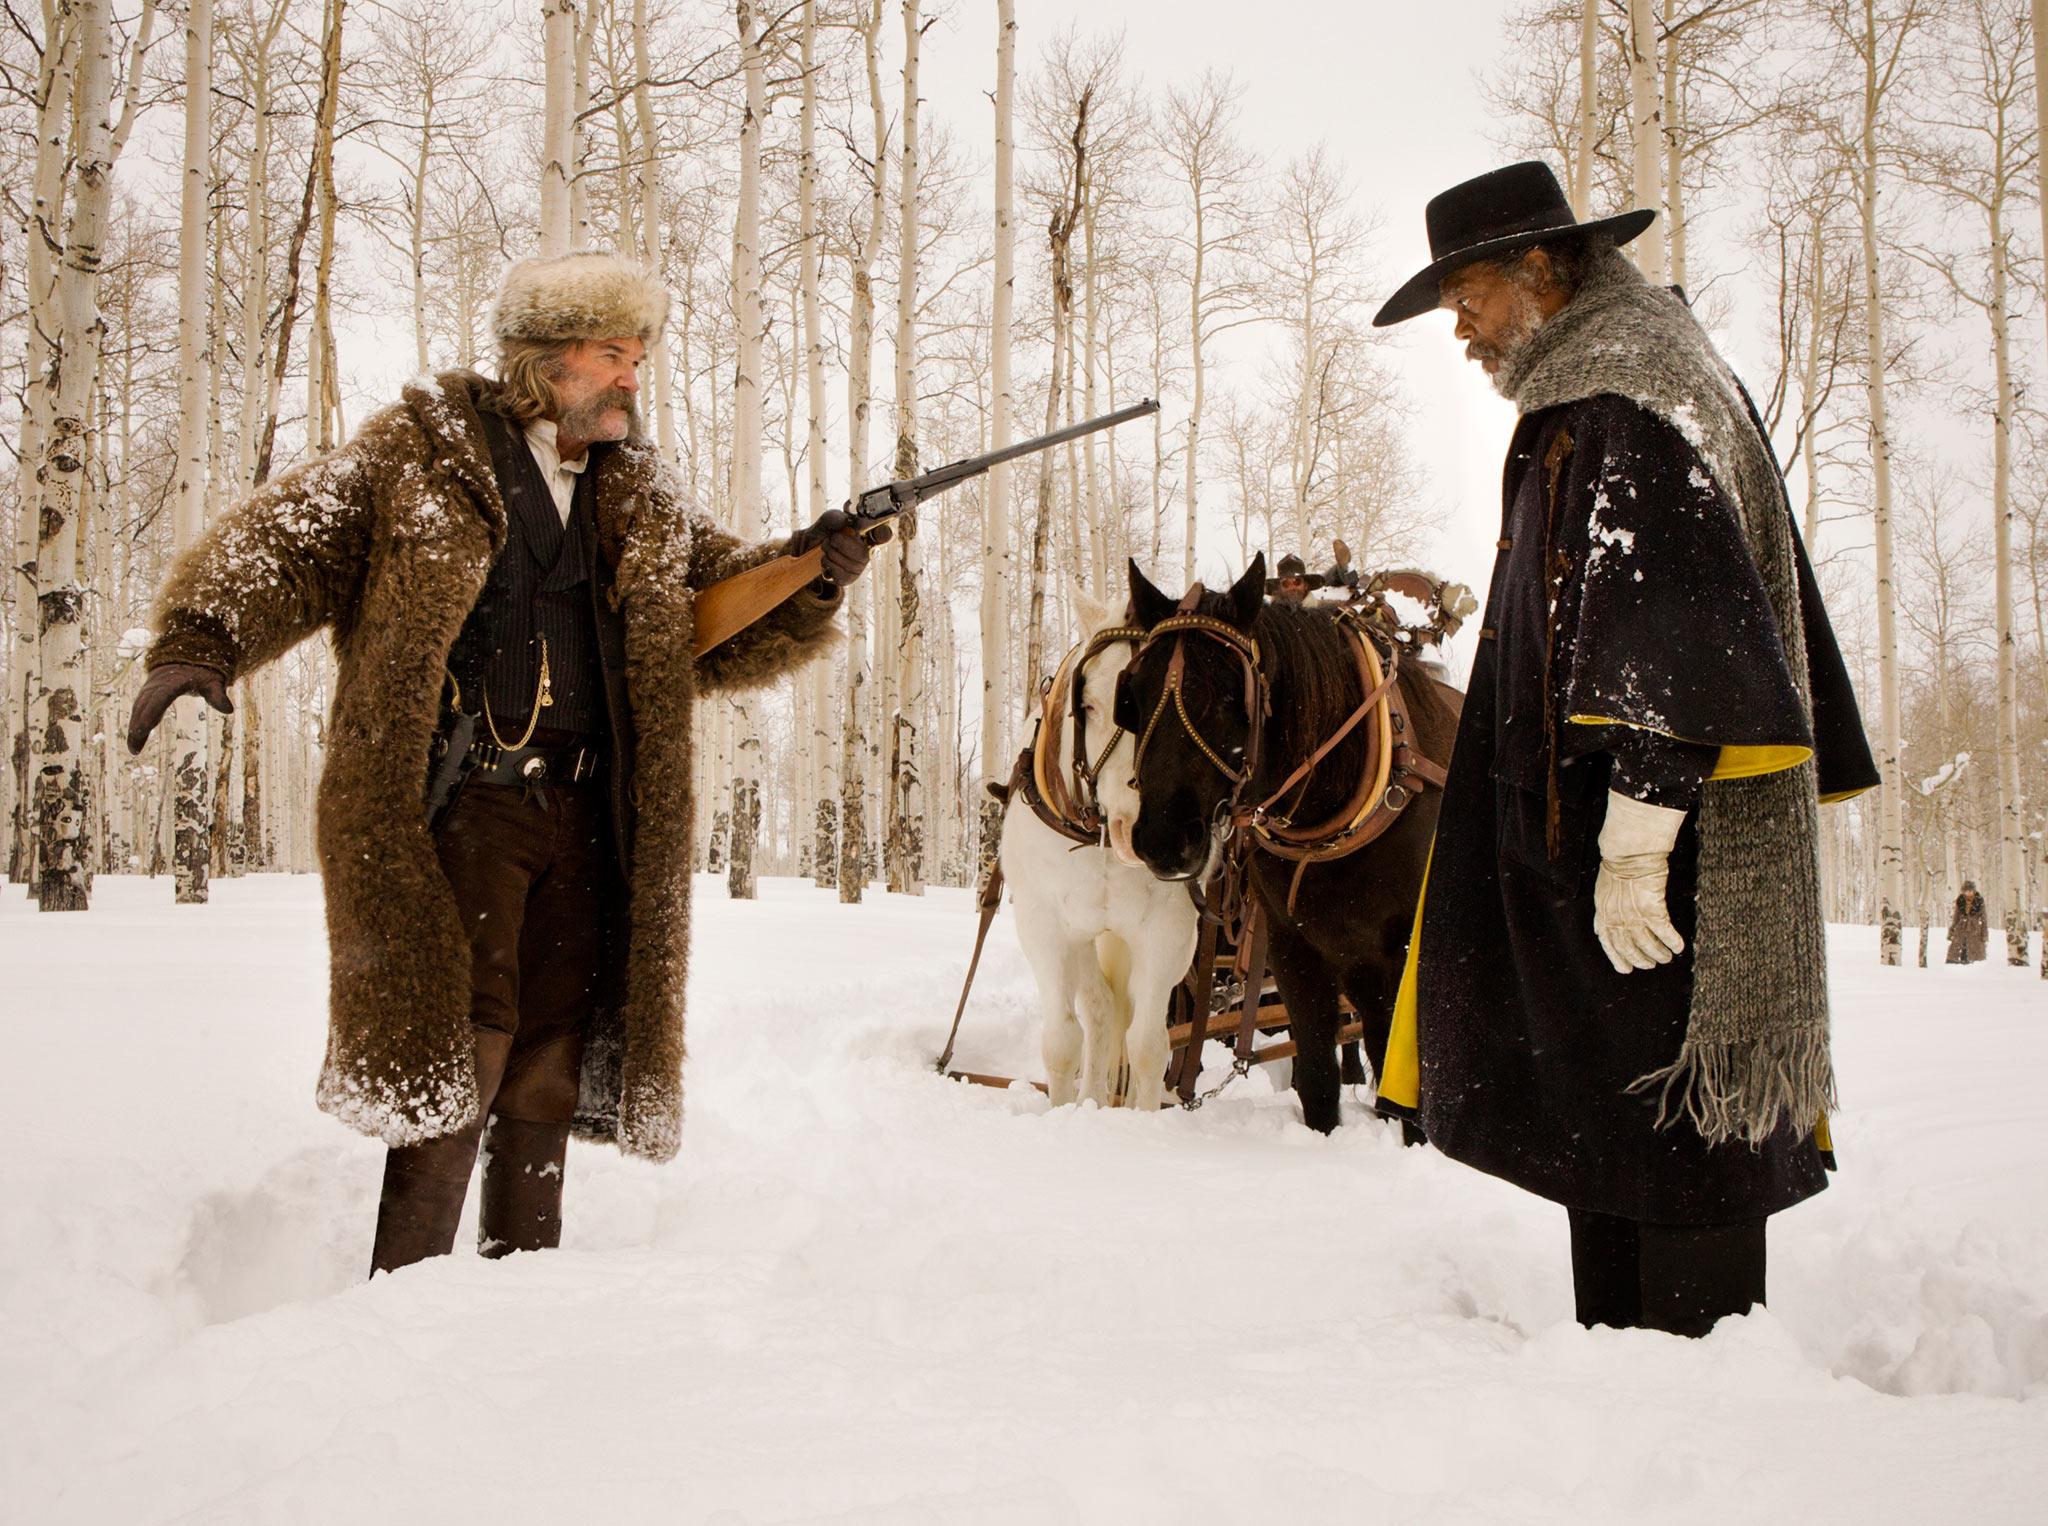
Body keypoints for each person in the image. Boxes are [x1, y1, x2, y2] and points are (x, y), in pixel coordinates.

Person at [126, 251, 879, 1275]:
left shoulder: (637, 492)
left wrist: (812, 573)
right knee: (460, 1052)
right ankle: (406, 1291)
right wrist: (198, 639)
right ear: (547, 359)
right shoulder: (420, 454)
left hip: (587, 814)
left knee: (547, 1058)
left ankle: (518, 1295)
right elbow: (293, 539)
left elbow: (712, 620)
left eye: (639, 355)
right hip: (464, 801)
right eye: (614, 354)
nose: (632, 375)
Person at [1371, 163, 1877, 1336]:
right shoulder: (1601, 390)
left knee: (1672, 1135)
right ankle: (1629, 1384)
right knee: (1615, 1135)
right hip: (1591, 856)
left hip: (1653, 871)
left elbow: (1675, 631)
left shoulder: (1626, 400)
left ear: (1543, 269)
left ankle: (1694, 1417)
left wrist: (1637, 842)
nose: (1462, 331)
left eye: (1470, 298)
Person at [1947, 881, 1989, 964]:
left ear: (1974, 891)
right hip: (1961, 928)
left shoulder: (1979, 901)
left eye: (1970, 891)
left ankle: (1973, 962)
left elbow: (1984, 919)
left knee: (1974, 952)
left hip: (1975, 929)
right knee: (1958, 949)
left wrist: (1984, 934)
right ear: (1964, 892)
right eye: (1967, 891)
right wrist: (1951, 931)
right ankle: (1956, 961)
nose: (1969, 893)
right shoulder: (1960, 901)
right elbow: (1956, 917)